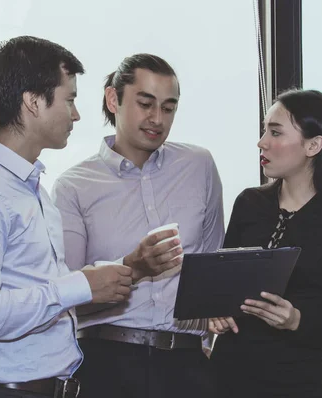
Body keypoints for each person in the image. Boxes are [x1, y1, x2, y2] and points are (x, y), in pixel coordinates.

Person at [0, 36, 133, 398]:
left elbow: (33, 286)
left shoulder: (30, 188)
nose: (76, 114)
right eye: (69, 99)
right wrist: (79, 286)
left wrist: (96, 278)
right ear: (34, 102)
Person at [51, 53, 225, 398]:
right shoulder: (74, 186)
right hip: (107, 364)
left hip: (189, 366)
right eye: (146, 103)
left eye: (168, 108)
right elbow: (67, 301)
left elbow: (212, 270)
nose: (157, 118)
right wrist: (135, 270)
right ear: (113, 99)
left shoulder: (199, 166)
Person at [209, 89, 322, 398]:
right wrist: (216, 312)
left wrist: (296, 319)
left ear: (313, 145)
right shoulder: (249, 203)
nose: (262, 142)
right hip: (227, 376)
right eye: (264, 131)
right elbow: (224, 287)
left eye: (275, 132)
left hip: (297, 383)